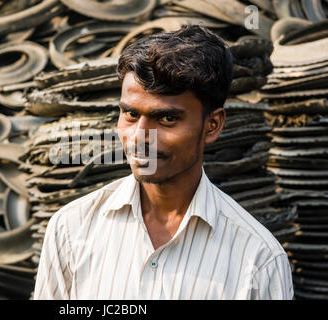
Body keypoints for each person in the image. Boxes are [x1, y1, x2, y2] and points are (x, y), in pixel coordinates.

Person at [33, 25, 294, 300]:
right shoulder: (71, 229)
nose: (139, 137)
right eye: (131, 115)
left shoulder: (257, 259)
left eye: (167, 119)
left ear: (212, 125)